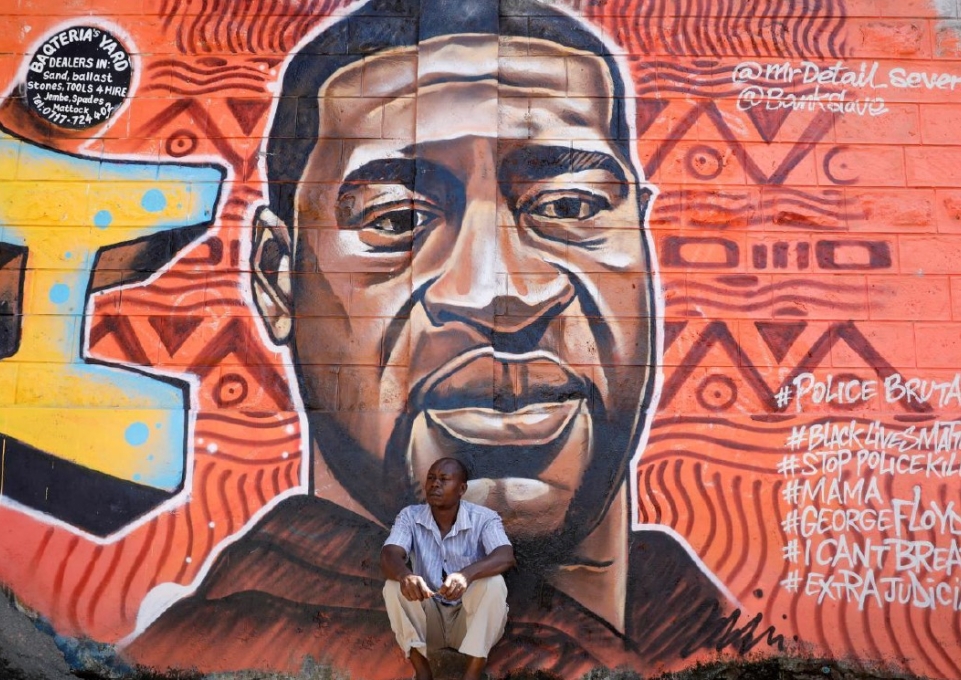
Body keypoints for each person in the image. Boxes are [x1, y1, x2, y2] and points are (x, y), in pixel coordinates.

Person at [124, 0, 781, 676]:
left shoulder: (705, 630)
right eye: (398, 217)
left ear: (643, 247)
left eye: (570, 207)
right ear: (275, 279)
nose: (501, 293)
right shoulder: (224, 651)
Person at [381, 457, 516, 680]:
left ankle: (472, 675)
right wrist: (406, 576)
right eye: (431, 478)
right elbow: (389, 554)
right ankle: (423, 672)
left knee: (493, 583)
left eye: (444, 479)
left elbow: (506, 556)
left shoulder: (484, 518)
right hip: (429, 622)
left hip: (468, 624)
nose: (435, 484)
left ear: (462, 489)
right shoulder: (409, 516)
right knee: (394, 585)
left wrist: (467, 574)